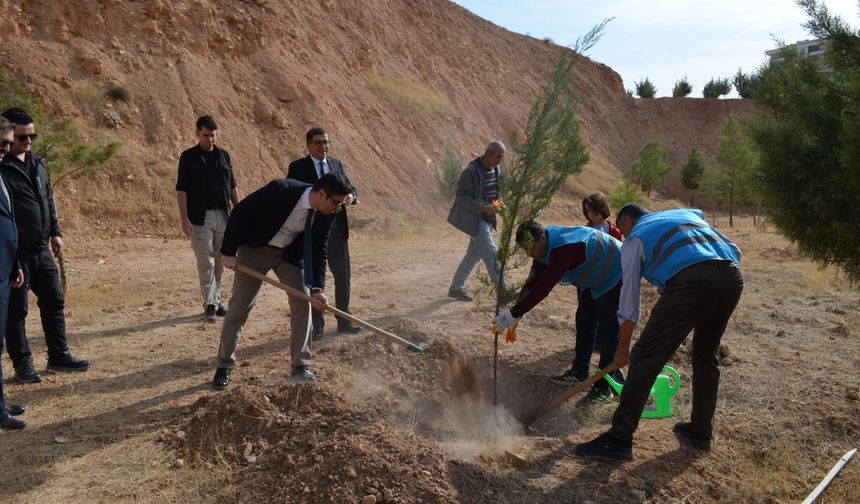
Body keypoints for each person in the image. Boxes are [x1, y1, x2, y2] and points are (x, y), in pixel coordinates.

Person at [575, 205, 743, 460]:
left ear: (629, 221)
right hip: (731, 276)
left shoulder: (636, 237)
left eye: (623, 231)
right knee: (705, 355)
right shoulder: (684, 215)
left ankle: (619, 439)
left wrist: (623, 348)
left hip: (690, 282)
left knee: (645, 357)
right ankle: (701, 432)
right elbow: (731, 246)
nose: (623, 237)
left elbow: (629, 301)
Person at [211, 172, 354, 390]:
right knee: (240, 306)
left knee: (304, 301)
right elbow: (240, 212)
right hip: (255, 251)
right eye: (336, 203)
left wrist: (317, 288)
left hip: (289, 255)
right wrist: (228, 252)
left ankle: (301, 365)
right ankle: (223, 366)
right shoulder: (282, 189)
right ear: (322, 194)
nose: (337, 209)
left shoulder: (327, 212)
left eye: (341, 204)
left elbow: (319, 249)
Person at [0, 108, 90, 384]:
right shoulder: (2, 167)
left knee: (54, 300)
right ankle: (23, 365)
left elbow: (48, 199)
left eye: (32, 136)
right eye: (22, 137)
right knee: (17, 311)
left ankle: (58, 355)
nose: (28, 141)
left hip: (41, 248)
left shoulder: (38, 162)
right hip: (16, 253)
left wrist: (55, 232)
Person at [494, 220, 624, 404]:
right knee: (584, 321)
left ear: (542, 238)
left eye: (530, 248)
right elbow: (532, 282)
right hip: (593, 274)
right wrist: (517, 311)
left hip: (616, 269)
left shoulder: (563, 249)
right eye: (525, 249)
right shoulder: (543, 247)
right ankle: (579, 372)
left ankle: (603, 388)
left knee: (608, 332)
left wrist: (514, 312)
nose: (529, 253)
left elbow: (544, 287)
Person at [287, 127, 360, 340]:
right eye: (318, 142)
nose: (323, 146)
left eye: (326, 142)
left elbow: (351, 188)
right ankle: (317, 325)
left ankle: (344, 321)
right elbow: (294, 193)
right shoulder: (298, 167)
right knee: (315, 279)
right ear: (308, 145)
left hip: (337, 230)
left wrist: (351, 197)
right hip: (311, 231)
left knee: (343, 276)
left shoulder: (336, 164)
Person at [546, 193, 624, 389]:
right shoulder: (585, 230)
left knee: (608, 328)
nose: (592, 214)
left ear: (603, 209)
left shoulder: (614, 230)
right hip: (588, 284)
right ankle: (580, 370)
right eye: (588, 211)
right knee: (585, 321)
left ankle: (606, 380)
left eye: (595, 210)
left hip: (610, 283)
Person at [176, 115, 241, 323]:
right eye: (206, 135)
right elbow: (182, 190)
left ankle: (217, 301)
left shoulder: (224, 155)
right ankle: (210, 303)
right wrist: (184, 219)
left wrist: (239, 212)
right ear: (197, 133)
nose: (210, 139)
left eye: (213, 135)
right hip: (200, 217)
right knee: (206, 262)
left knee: (221, 261)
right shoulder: (188, 157)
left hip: (224, 215)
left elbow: (232, 185)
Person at [446, 140, 512, 303]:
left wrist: (499, 204)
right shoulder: (471, 172)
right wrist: (482, 208)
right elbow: (461, 196)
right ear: (488, 154)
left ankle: (455, 288)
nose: (500, 160)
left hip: (488, 219)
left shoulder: (496, 169)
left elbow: (497, 193)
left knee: (473, 255)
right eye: (498, 157)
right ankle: (503, 291)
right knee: (492, 254)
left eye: (502, 157)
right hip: (476, 220)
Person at [0, 118, 27, 429]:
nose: (5, 149)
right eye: (1, 143)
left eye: (8, 143)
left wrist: (15, 263)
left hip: (6, 268)